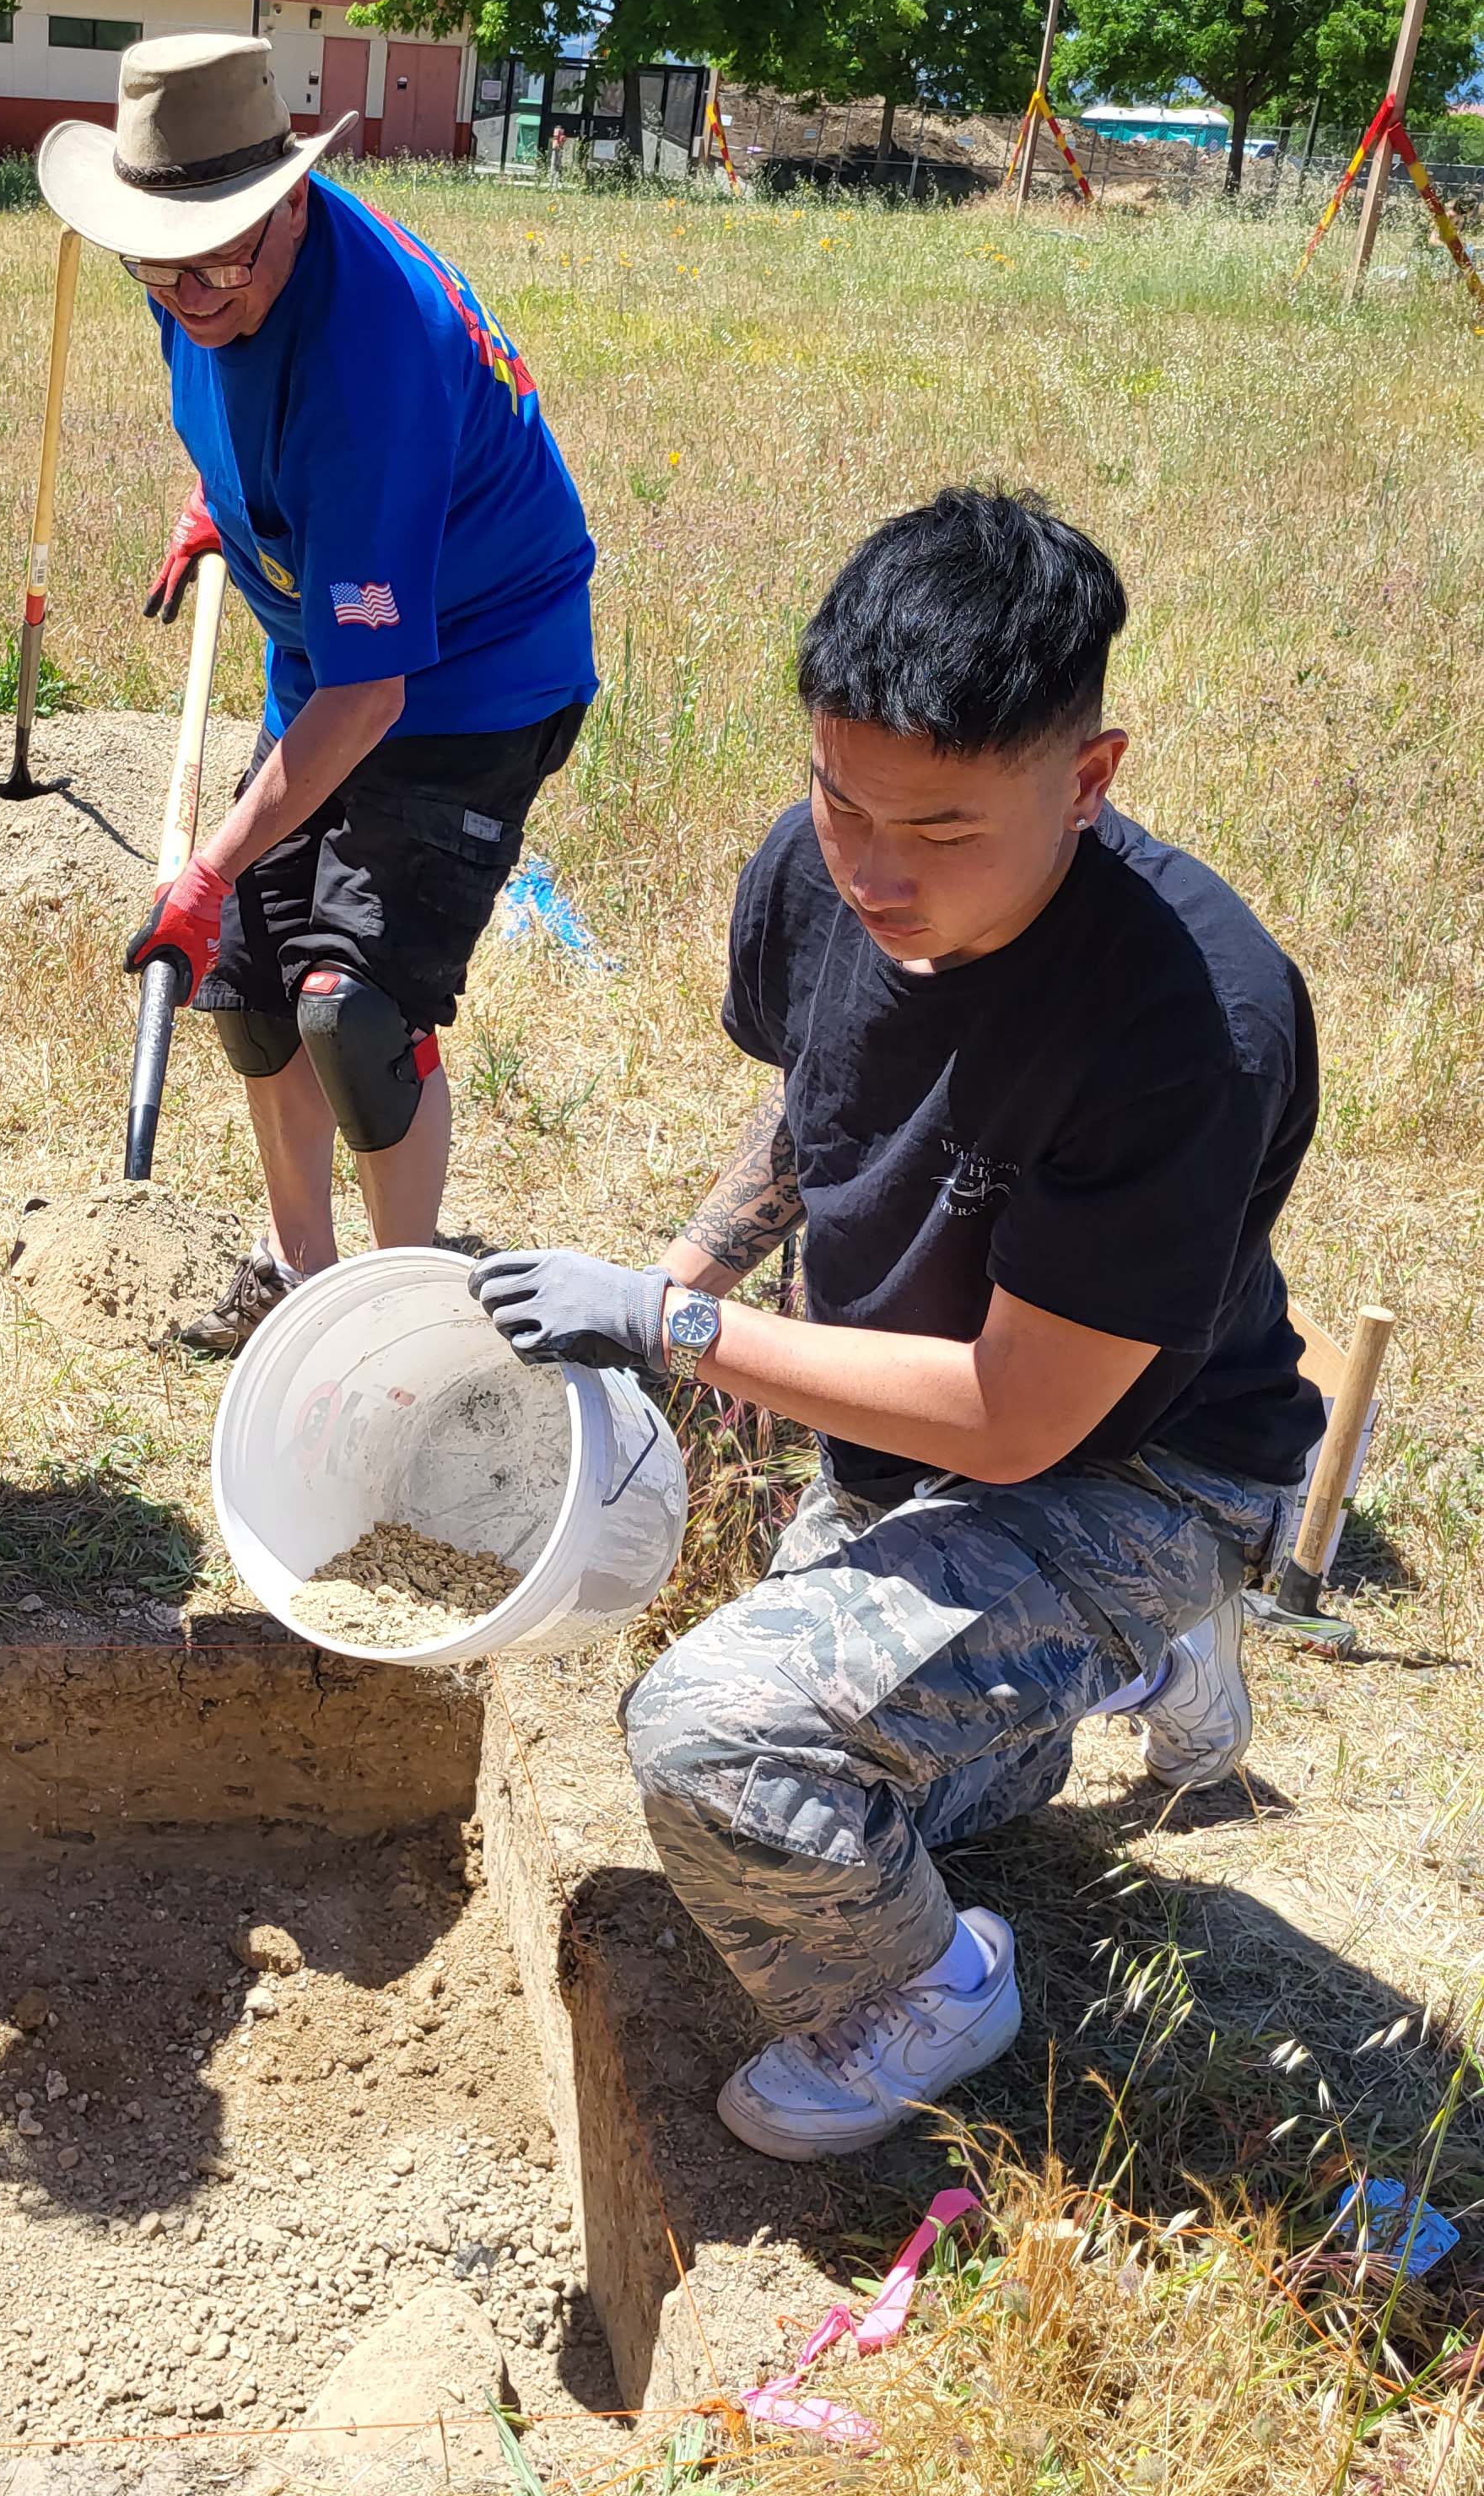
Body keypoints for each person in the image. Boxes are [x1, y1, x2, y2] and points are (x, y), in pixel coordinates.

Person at [472, 489, 1322, 2159]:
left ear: (1088, 781)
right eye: (836, 796)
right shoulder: (823, 870)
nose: (867, 867)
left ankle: (938, 1995)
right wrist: (697, 1269)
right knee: (862, 1798)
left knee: (716, 1742)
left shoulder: (1189, 1021)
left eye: (937, 831)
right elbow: (825, 1106)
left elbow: (1015, 1422)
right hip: (909, 1448)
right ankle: (1119, 1666)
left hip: (1134, 1476)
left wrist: (673, 1330)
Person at [37, 34, 597, 1353]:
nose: (188, 292)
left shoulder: (369, 363)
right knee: (243, 985)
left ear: (292, 197)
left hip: (470, 677)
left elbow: (370, 700)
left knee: (353, 1007)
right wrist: (220, 503)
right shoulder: (191, 261)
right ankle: (304, 1284)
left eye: (222, 258)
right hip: (337, 656)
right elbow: (227, 386)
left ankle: (403, 1316)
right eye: (158, 264)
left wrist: (209, 862)